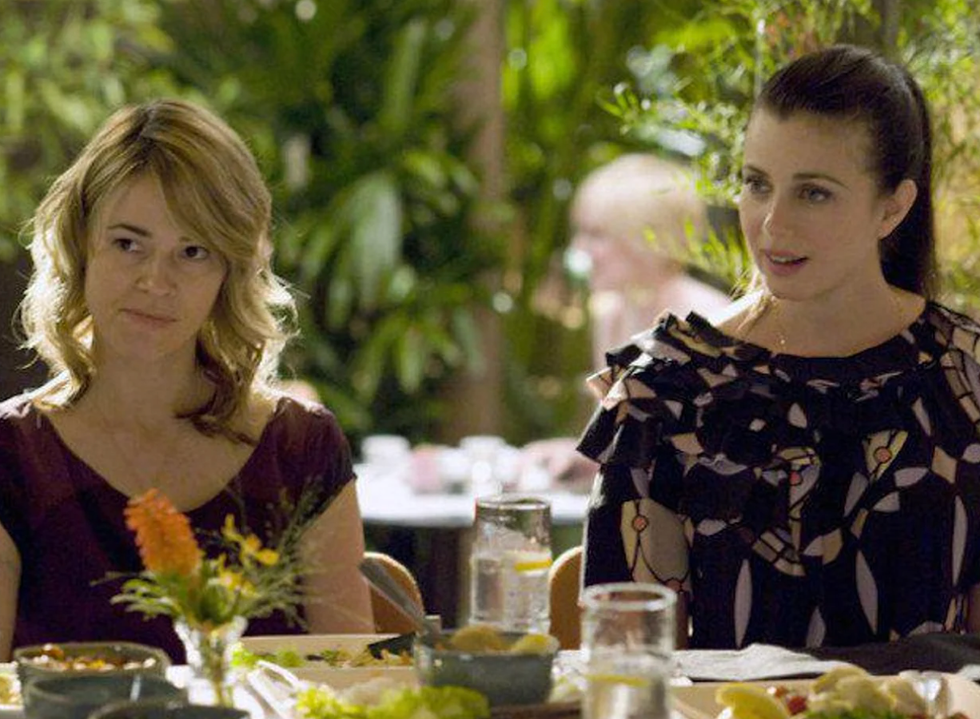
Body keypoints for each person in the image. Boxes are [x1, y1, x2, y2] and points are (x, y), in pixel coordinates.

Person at [578, 44, 980, 650]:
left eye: (813, 193)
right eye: (757, 184)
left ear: (893, 207)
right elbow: (629, 662)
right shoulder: (664, 390)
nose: (771, 224)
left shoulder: (965, 377)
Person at [0, 99, 373, 661]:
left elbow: (355, 683)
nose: (156, 281)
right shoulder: (13, 453)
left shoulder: (300, 448)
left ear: (229, 273)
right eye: (128, 244)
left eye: (193, 251)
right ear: (80, 246)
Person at [522, 154, 730, 489]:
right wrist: (576, 456)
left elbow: (711, 458)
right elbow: (630, 443)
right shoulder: (613, 314)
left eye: (596, 235)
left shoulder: (708, 321)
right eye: (580, 232)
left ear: (649, 239)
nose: (579, 249)